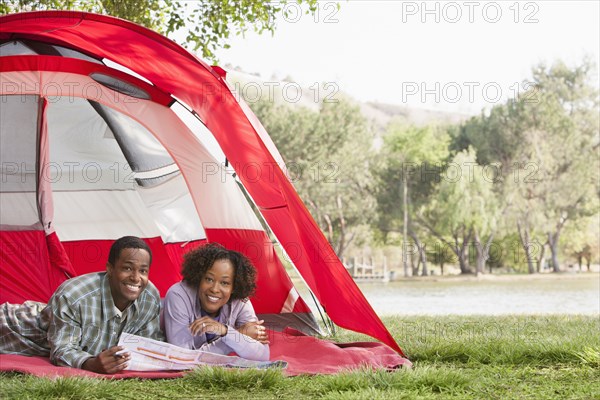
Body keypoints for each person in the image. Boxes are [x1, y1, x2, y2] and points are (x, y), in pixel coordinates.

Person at [0, 236, 164, 374]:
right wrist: (91, 364)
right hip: (14, 329)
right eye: (127, 268)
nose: (136, 278)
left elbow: (148, 343)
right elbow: (62, 350)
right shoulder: (73, 295)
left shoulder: (149, 298)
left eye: (143, 271)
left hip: (51, 321)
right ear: (110, 269)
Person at [161, 243, 269, 361]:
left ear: (234, 287)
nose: (214, 289)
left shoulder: (241, 300)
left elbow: (262, 355)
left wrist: (226, 331)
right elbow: (181, 357)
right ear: (199, 278)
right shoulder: (178, 295)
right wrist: (236, 335)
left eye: (225, 283)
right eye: (209, 279)